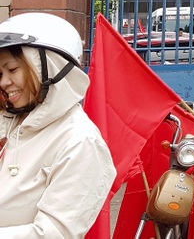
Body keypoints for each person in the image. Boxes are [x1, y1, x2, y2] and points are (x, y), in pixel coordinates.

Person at [0, 13, 116, 237]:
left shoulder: (80, 142)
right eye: (0, 73)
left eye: (13, 70)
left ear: (50, 66)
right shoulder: (10, 123)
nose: (4, 82)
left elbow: (55, 233)